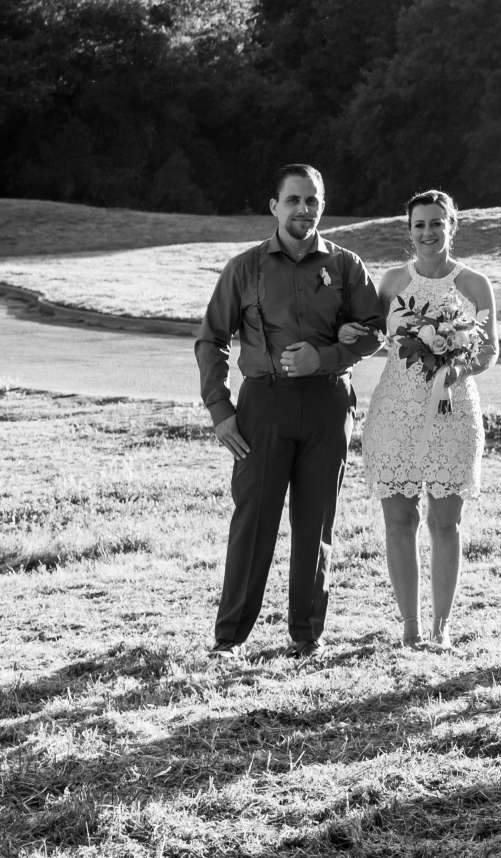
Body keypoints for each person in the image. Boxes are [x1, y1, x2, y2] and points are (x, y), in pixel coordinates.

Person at [196, 164, 384, 657]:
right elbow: (211, 339)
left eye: (313, 200)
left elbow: (375, 330)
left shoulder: (346, 266)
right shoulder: (245, 268)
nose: (304, 209)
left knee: (316, 521)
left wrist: (327, 356)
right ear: (274, 206)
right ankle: (229, 637)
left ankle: (307, 635)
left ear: (322, 205)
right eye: (294, 200)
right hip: (264, 406)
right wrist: (220, 408)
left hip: (327, 404)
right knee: (254, 519)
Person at [343, 190, 498, 649]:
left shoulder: (474, 284)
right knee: (399, 520)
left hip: (452, 410)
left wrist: (454, 369)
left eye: (437, 223)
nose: (428, 233)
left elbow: (488, 351)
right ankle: (409, 625)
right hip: (396, 410)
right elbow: (375, 337)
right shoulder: (391, 282)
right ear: (409, 231)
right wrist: (353, 334)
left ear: (452, 226)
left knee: (445, 521)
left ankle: (441, 627)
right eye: (419, 225)